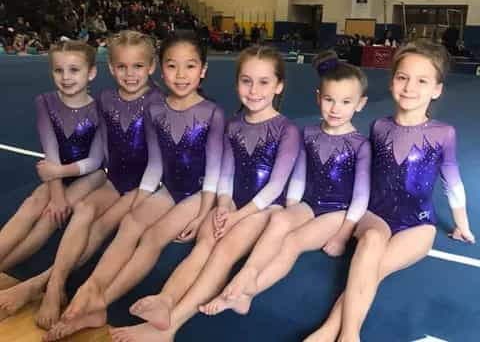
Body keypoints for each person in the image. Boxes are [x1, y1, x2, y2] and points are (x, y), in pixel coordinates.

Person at [109, 45, 300, 342]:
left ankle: (171, 328)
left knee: (223, 251)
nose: (253, 90)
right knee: (204, 243)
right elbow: (225, 173)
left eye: (263, 82)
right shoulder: (234, 125)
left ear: (279, 86)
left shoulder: (286, 129)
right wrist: (223, 204)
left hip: (265, 209)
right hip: (234, 203)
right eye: (246, 81)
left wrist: (238, 215)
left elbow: (276, 185)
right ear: (237, 82)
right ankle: (166, 300)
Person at [44, 33, 225, 341]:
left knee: (152, 237)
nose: (180, 75)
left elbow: (215, 171)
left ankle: (101, 301)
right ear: (162, 69)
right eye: (172, 66)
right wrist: (139, 200)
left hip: (199, 192)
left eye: (190, 66)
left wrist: (202, 213)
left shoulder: (212, 113)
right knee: (130, 223)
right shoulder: (155, 110)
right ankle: (92, 286)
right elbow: (155, 165)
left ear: (203, 70)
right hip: (168, 188)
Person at [305, 40, 475, 342]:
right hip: (376, 214)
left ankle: (332, 331)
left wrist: (462, 226)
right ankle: (349, 334)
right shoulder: (379, 127)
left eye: (422, 81)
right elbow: (366, 175)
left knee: (376, 269)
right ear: (392, 81)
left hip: (419, 222)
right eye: (402, 77)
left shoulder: (443, 133)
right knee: (370, 242)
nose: (410, 87)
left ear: (436, 89)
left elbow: (452, 180)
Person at [0, 31, 160, 329]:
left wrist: (141, 195)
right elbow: (98, 152)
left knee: (99, 225)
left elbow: (160, 160)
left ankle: (42, 284)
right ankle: (55, 284)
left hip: (147, 185)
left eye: (138, 66)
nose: (130, 74)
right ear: (111, 68)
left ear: (151, 67)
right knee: (84, 210)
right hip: (115, 180)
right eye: (122, 67)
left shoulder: (158, 104)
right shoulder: (106, 100)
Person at [200, 52, 371, 317]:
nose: (336, 109)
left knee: (292, 242)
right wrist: (293, 209)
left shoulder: (360, 144)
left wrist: (343, 233)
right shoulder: (310, 134)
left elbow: (361, 196)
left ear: (360, 104)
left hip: (339, 211)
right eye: (329, 100)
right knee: (280, 221)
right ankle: (248, 273)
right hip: (309, 204)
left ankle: (247, 291)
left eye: (345, 102)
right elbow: (300, 176)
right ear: (318, 98)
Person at [0, 40, 106, 319]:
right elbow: (51, 153)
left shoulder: (100, 111)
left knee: (49, 217)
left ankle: (10, 270)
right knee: (31, 204)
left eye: (74, 70)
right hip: (58, 172)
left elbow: (95, 161)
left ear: (91, 73)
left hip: (91, 175)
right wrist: (56, 191)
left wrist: (58, 176)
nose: (66, 77)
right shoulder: (45, 103)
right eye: (59, 70)